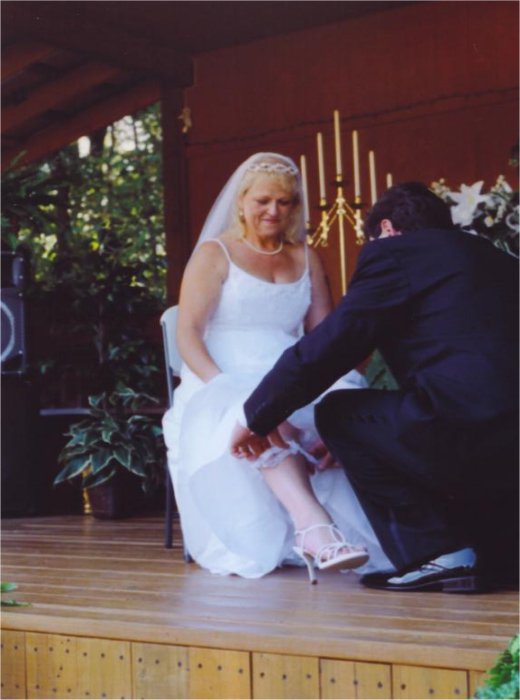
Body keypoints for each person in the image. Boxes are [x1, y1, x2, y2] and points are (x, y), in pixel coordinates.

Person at [231, 181, 519, 593]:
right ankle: (497, 555)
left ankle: (435, 554)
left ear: (385, 228)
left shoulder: (395, 255)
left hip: (467, 433)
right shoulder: (500, 260)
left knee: (339, 412)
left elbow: (332, 345)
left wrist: (256, 415)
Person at [162, 152, 394, 582]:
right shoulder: (216, 254)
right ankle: (315, 529)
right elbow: (188, 334)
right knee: (255, 412)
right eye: (263, 201)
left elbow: (325, 336)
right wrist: (223, 387)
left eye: (284, 202)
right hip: (221, 374)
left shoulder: (307, 256)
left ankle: (402, 534)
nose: (274, 211)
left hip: (294, 371)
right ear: (242, 202)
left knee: (355, 408)